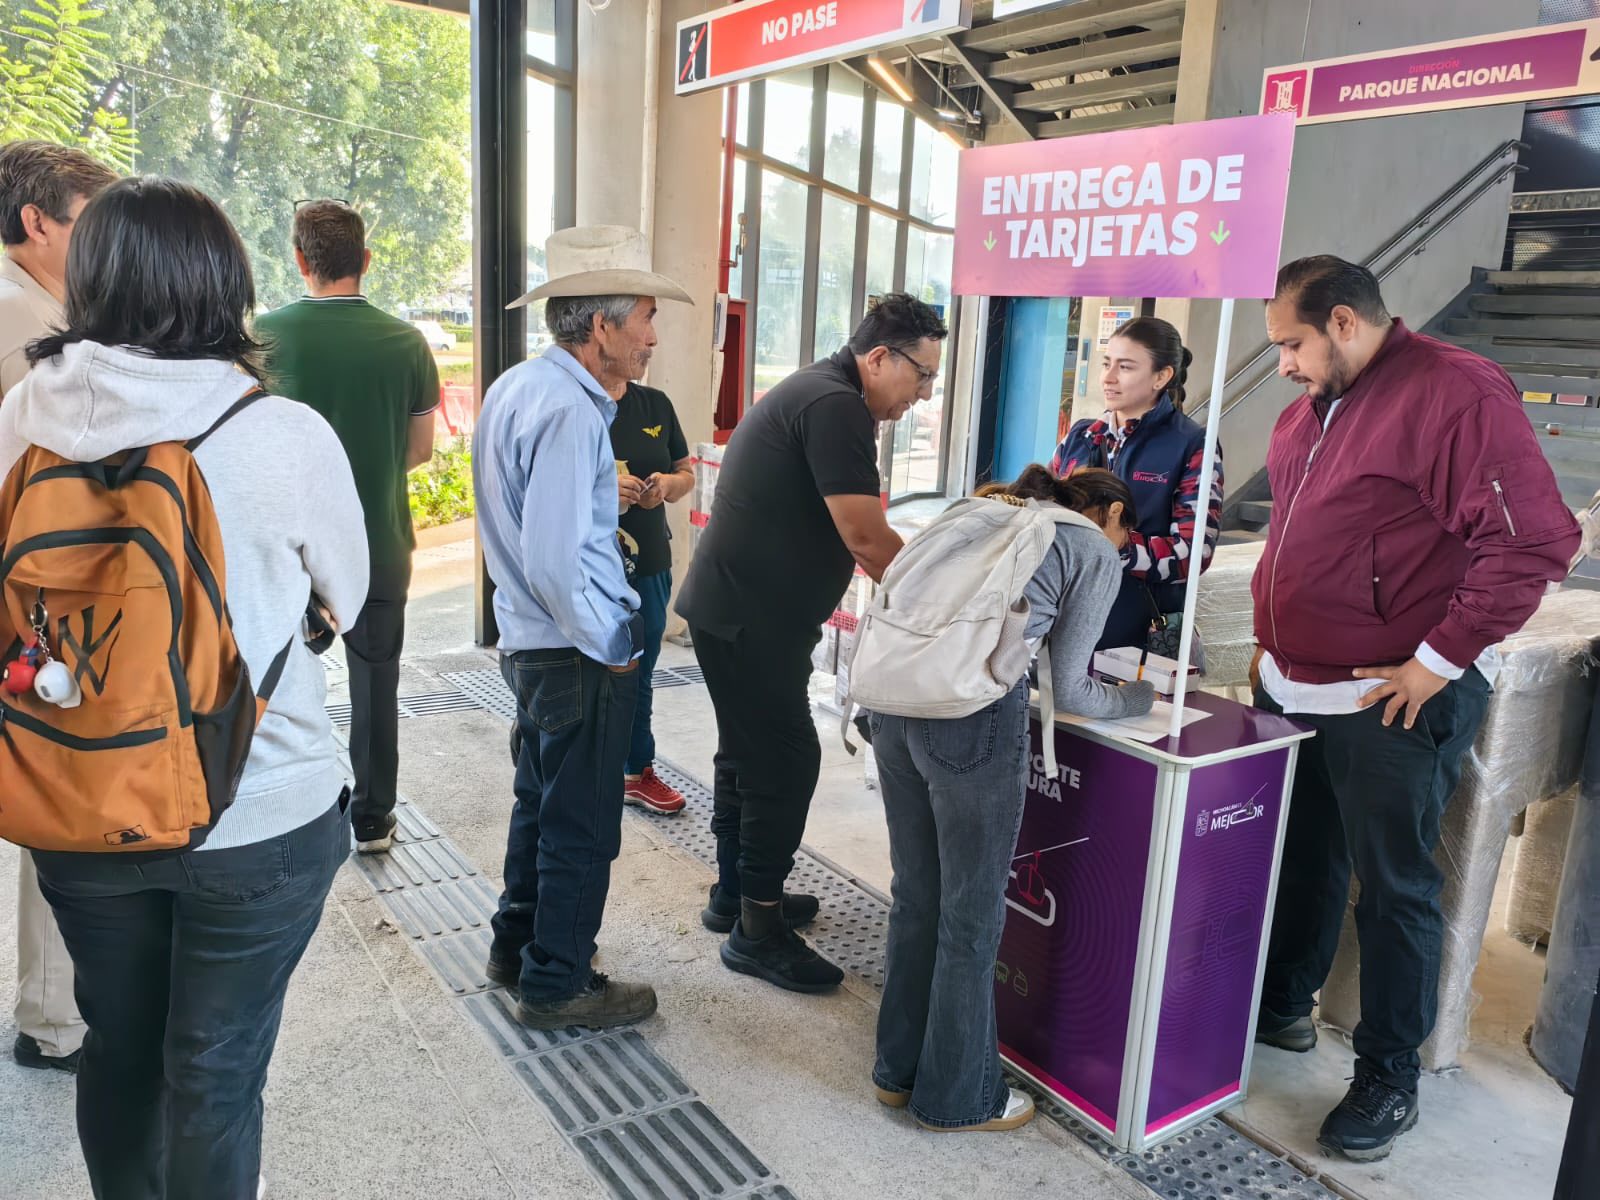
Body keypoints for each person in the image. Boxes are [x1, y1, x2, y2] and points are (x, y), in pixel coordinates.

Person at [0, 177, 368, 1198]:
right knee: (214, 1074)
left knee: (119, 1050)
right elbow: (352, 597)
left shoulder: (21, 418)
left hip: (82, 798)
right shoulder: (282, 433)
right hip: (259, 810)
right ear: (222, 282)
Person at [1250, 256, 1581, 1161]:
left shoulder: (1452, 393)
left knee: (1394, 890)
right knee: (1303, 858)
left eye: (1292, 344)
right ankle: (1283, 1004)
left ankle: (1388, 1077)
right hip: (1295, 684)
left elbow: (1532, 544)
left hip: (1384, 697)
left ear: (1344, 321)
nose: (1282, 364)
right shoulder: (1312, 407)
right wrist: (1275, 642)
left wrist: (1435, 663)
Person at [870, 465, 1155, 1134]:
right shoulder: (1087, 545)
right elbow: (1074, 690)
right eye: (1127, 535)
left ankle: (897, 1073)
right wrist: (1138, 699)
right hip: (970, 719)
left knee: (917, 897)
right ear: (1112, 513)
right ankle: (958, 1099)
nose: (1122, 548)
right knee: (970, 918)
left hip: (890, 703)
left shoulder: (980, 511)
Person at [676, 293, 945, 993]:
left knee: (747, 756)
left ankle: (737, 893)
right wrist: (944, 607)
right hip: (751, 620)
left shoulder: (821, 390)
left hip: (739, 613)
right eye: (922, 375)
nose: (924, 394)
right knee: (786, 762)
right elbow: (865, 537)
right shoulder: (835, 406)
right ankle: (758, 930)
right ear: (879, 358)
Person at [475, 225, 691, 1030]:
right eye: (645, 316)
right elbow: (561, 560)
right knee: (583, 823)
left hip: (531, 643)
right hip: (573, 650)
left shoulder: (519, 386)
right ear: (600, 326)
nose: (652, 336)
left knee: (540, 803)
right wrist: (615, 645)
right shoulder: (570, 411)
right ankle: (558, 982)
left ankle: (517, 947)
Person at [256, 199, 440, 853]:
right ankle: (372, 817)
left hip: (285, 550)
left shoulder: (262, 336)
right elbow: (419, 451)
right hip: (378, 544)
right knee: (376, 681)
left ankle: (284, 811)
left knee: (274, 677)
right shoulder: (407, 342)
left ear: (299, 260)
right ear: (365, 259)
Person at [0, 138, 115, 1077]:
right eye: (91, 223)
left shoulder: (37, 308)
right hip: (29, 605)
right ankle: (55, 1019)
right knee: (56, 796)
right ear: (36, 222)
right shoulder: (21, 323)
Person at [1050, 316, 1221, 651]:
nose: (1108, 377)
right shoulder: (1081, 436)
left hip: (1136, 637)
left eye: (1125, 367)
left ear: (1161, 376)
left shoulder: (1191, 444)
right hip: (1063, 623)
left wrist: (1120, 546)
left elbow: (1193, 554)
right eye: (1106, 364)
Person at [610, 378, 693, 816]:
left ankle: (636, 771)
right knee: (587, 668)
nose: (650, 344)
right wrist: (603, 491)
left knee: (640, 670)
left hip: (649, 565)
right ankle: (589, 768)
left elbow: (686, 473)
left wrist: (666, 485)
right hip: (592, 564)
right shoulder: (572, 403)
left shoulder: (655, 404)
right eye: (642, 342)